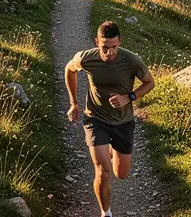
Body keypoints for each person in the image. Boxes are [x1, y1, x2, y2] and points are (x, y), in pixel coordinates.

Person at [66, 22, 155, 217]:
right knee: (102, 172)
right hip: (95, 118)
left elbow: (150, 83)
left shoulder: (132, 60)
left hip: (123, 121)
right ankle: (105, 212)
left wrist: (129, 97)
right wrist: (74, 102)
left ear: (119, 42)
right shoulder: (85, 58)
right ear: (96, 42)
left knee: (121, 174)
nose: (109, 53)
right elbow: (69, 70)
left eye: (114, 47)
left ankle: (112, 150)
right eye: (105, 48)